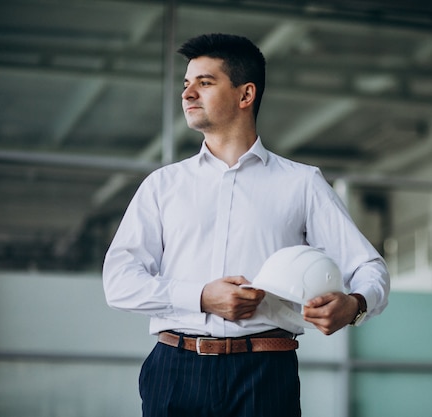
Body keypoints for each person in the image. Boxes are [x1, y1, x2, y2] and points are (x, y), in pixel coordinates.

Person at [102, 33, 390, 417]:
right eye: (186, 84)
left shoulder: (301, 183)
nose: (188, 94)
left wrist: (354, 305)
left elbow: (370, 268)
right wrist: (201, 297)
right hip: (174, 370)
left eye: (205, 83)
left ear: (245, 94)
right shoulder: (162, 185)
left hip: (265, 375)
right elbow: (118, 282)